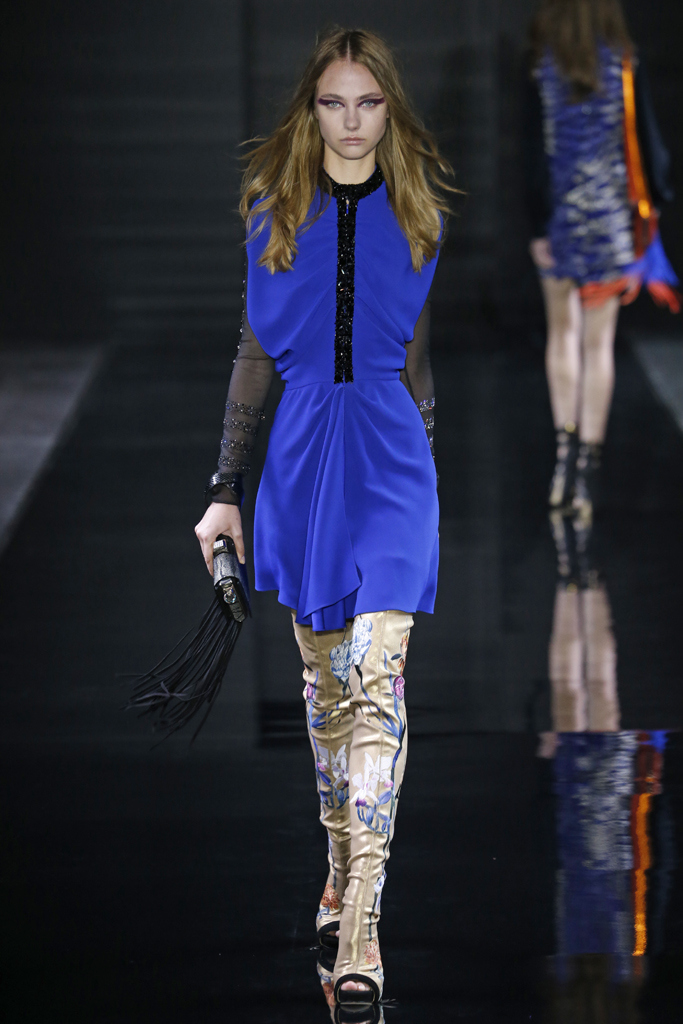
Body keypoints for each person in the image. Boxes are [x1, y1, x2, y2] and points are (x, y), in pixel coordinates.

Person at [194, 27, 455, 1011]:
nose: (351, 122)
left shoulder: (419, 209)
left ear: (390, 108)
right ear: (310, 108)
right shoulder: (275, 210)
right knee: (326, 692)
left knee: (377, 687)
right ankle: (339, 868)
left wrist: (427, 470)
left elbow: (415, 353)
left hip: (391, 463)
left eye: (368, 103)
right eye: (334, 103)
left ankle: (362, 930)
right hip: (304, 466)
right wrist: (225, 487)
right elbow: (254, 352)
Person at [523, 0, 678, 519]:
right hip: (610, 225)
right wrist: (657, 199)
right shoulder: (622, 62)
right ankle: (587, 472)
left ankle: (564, 459)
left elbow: (533, 151)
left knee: (562, 336)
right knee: (598, 344)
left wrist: (537, 224)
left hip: (559, 223)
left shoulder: (542, 63)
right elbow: (649, 145)